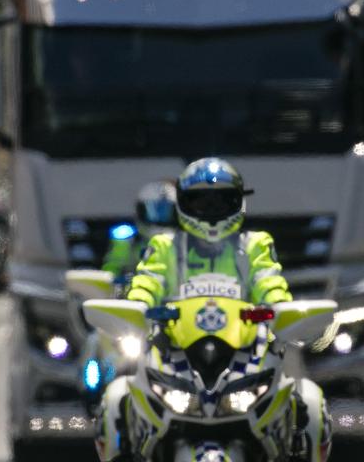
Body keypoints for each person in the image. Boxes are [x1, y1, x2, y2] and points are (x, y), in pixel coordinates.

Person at [98, 157, 330, 462]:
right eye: (201, 202)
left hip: (246, 352)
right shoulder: (165, 246)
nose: (210, 211)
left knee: (308, 401)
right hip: (175, 351)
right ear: (182, 203)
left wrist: (281, 308)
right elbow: (148, 281)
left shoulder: (255, 244)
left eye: (221, 201)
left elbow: (269, 281)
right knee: (117, 396)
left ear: (238, 202)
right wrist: (137, 305)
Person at [100, 180, 177, 279]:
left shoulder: (183, 239)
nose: (160, 218)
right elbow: (110, 274)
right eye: (153, 211)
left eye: (166, 211)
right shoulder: (126, 238)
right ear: (140, 211)